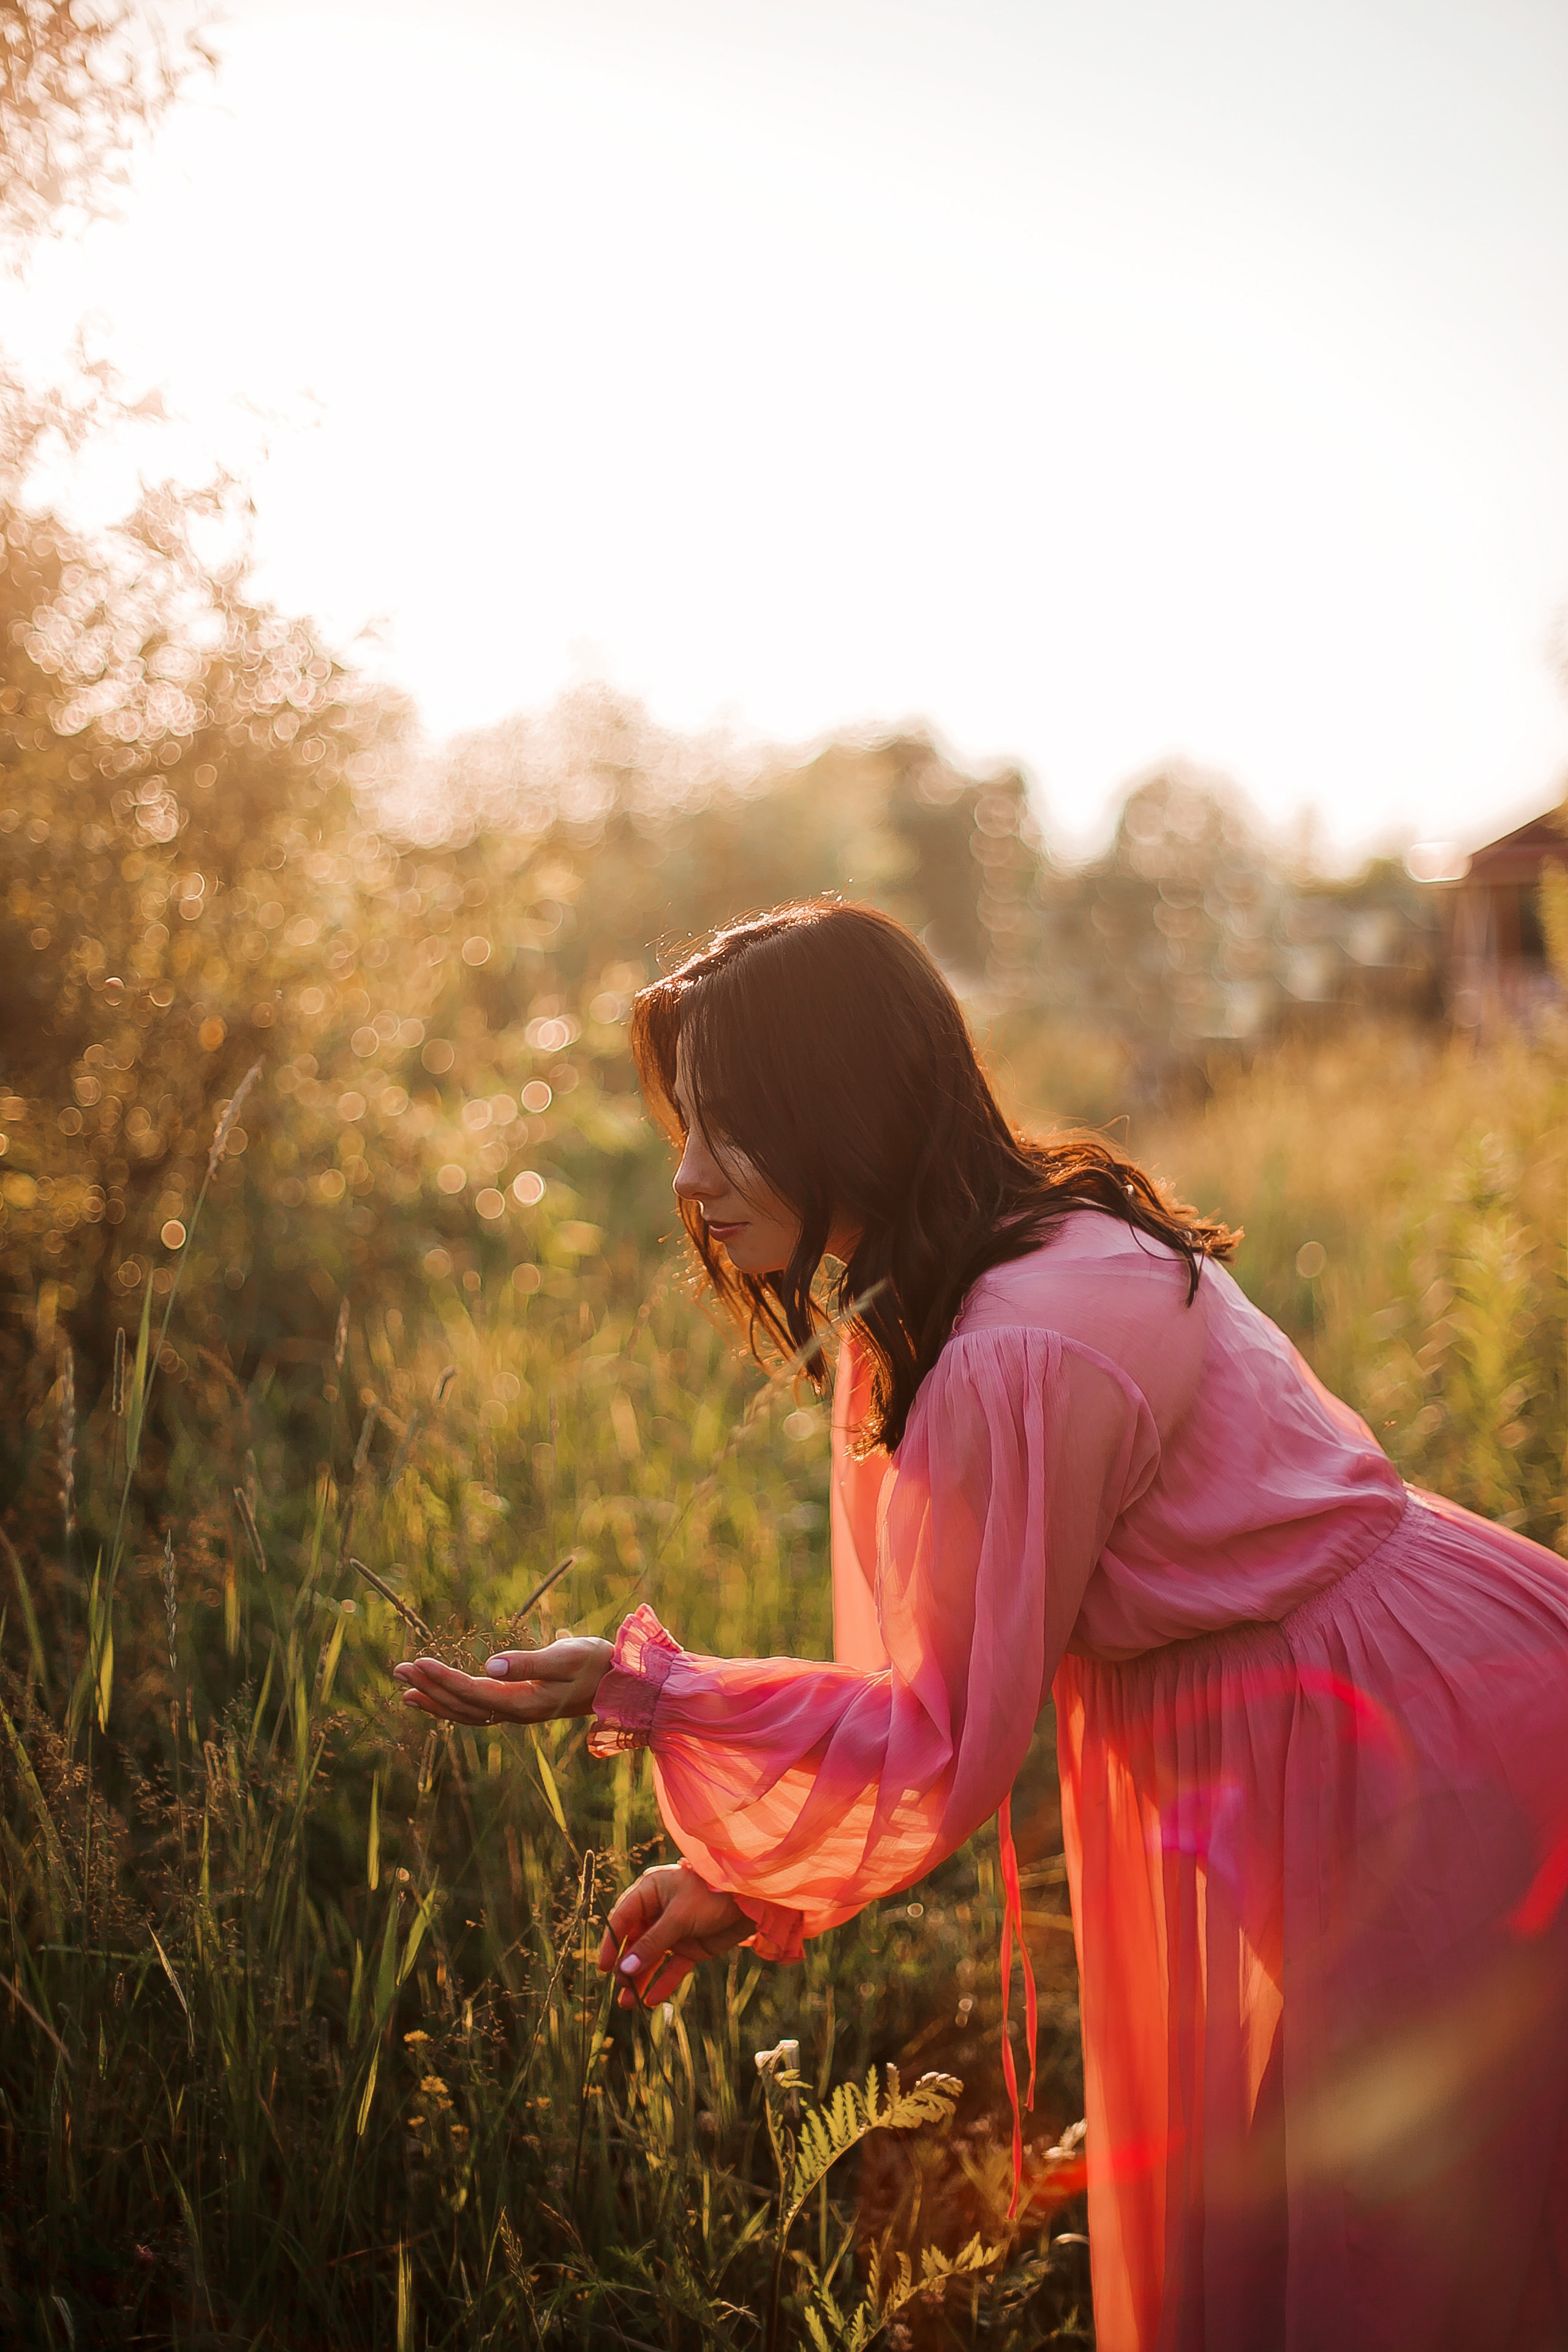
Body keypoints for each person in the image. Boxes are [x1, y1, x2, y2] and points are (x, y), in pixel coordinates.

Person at [394, 898, 1568, 2351]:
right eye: (682, 1128)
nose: (688, 1178)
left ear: (841, 1103)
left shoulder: (1009, 1342)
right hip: (1425, 1681)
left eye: (727, 1125)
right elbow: (921, 1687)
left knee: (1394, 2255)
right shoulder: (1016, 1246)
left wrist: (641, 1691)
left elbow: (940, 1733)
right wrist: (743, 1877)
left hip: (1401, 1750)